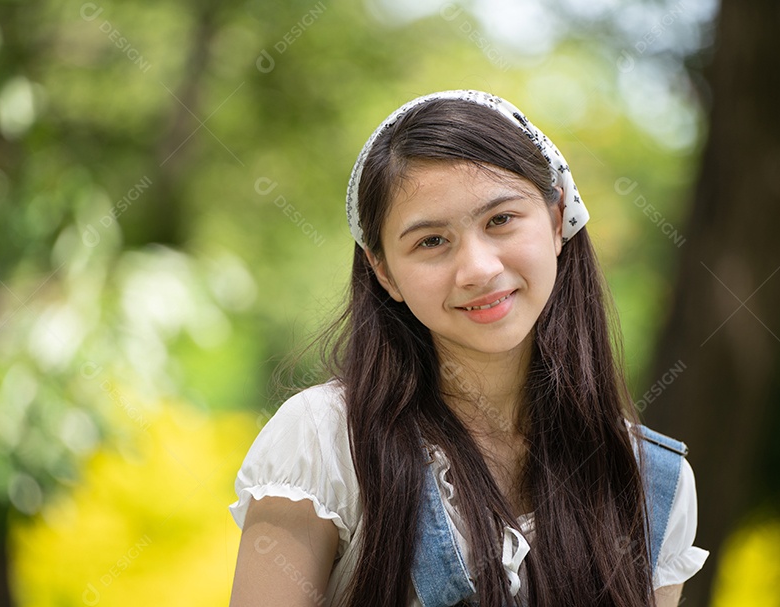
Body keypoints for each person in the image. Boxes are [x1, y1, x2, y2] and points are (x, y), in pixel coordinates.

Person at [228, 90, 708, 607]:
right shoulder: (324, 441)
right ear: (384, 271)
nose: (478, 268)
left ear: (556, 219)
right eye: (431, 241)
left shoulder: (650, 484)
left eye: (500, 219)